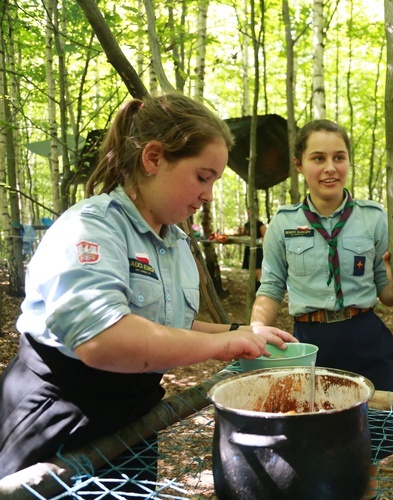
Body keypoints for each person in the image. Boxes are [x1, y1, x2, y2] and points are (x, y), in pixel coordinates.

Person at [0, 93, 295, 487]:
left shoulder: (173, 242)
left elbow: (165, 321)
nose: (208, 195)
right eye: (202, 177)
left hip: (131, 420)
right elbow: (103, 340)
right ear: (154, 158)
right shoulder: (91, 228)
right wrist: (223, 347)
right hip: (61, 419)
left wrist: (239, 333)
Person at [249, 119, 393, 498]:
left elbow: (387, 295)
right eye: (318, 158)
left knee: (379, 429)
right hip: (311, 343)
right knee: (314, 438)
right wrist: (256, 331)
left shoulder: (374, 217)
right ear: (299, 165)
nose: (330, 168)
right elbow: (271, 287)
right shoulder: (283, 223)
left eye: (339, 157)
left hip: (365, 337)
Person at [241, 209, 266, 289]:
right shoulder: (246, 224)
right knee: (251, 272)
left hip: (258, 249)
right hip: (248, 249)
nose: (248, 215)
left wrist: (256, 240)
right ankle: (253, 290)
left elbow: (265, 236)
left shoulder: (259, 224)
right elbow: (245, 235)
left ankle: (259, 291)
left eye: (250, 214)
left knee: (258, 271)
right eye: (247, 214)